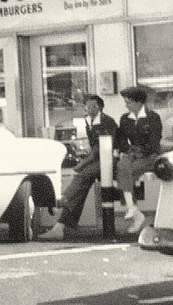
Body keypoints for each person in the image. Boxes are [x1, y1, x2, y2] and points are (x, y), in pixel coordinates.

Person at [38, 95, 118, 241]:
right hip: (99, 159)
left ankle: (62, 200)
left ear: (100, 107)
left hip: (110, 159)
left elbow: (101, 148)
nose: (90, 109)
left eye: (94, 106)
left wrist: (82, 164)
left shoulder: (107, 121)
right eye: (87, 106)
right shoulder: (88, 121)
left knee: (81, 176)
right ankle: (61, 226)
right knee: (81, 187)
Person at [114, 86, 162, 234]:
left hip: (150, 155)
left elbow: (154, 142)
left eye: (129, 102)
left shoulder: (153, 117)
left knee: (125, 172)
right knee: (122, 167)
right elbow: (120, 138)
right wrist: (126, 149)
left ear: (139, 102)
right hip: (133, 153)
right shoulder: (125, 119)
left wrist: (141, 151)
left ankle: (134, 211)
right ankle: (134, 210)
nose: (126, 105)